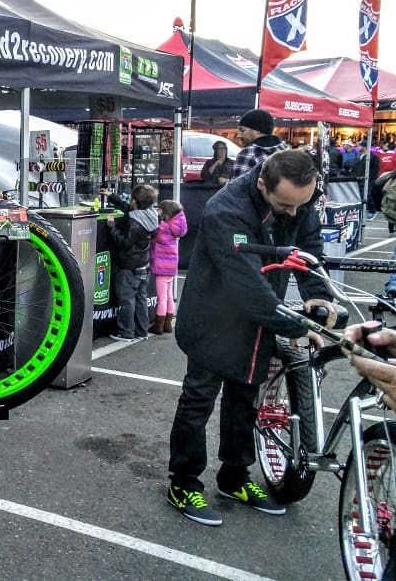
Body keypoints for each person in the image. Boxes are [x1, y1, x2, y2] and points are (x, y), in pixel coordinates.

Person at [168, 149, 338, 527]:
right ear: (262, 183)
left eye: (301, 205)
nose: (294, 214)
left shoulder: (299, 200)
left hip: (258, 317)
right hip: (213, 316)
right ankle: (183, 482)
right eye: (285, 206)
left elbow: (308, 252)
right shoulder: (224, 209)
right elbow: (246, 286)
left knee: (245, 398)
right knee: (198, 401)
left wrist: (318, 296)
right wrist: (300, 326)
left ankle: (234, 477)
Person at [101, 184, 159, 343]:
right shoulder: (149, 214)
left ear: (134, 200)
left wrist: (112, 227)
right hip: (143, 264)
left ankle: (126, 332)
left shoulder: (134, 222)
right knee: (141, 298)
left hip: (129, 266)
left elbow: (124, 243)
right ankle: (142, 330)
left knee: (127, 300)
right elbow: (128, 208)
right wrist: (111, 196)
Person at [149, 199, 187, 334]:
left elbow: (153, 237)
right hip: (172, 266)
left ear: (165, 211)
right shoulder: (174, 226)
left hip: (161, 266)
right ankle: (168, 324)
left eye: (159, 209)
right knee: (170, 296)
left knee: (162, 298)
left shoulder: (163, 227)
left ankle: (158, 326)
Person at [232, 108, 287, 178]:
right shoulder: (286, 150)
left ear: (258, 130)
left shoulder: (248, 153)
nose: (238, 135)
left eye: (242, 130)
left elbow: (236, 187)